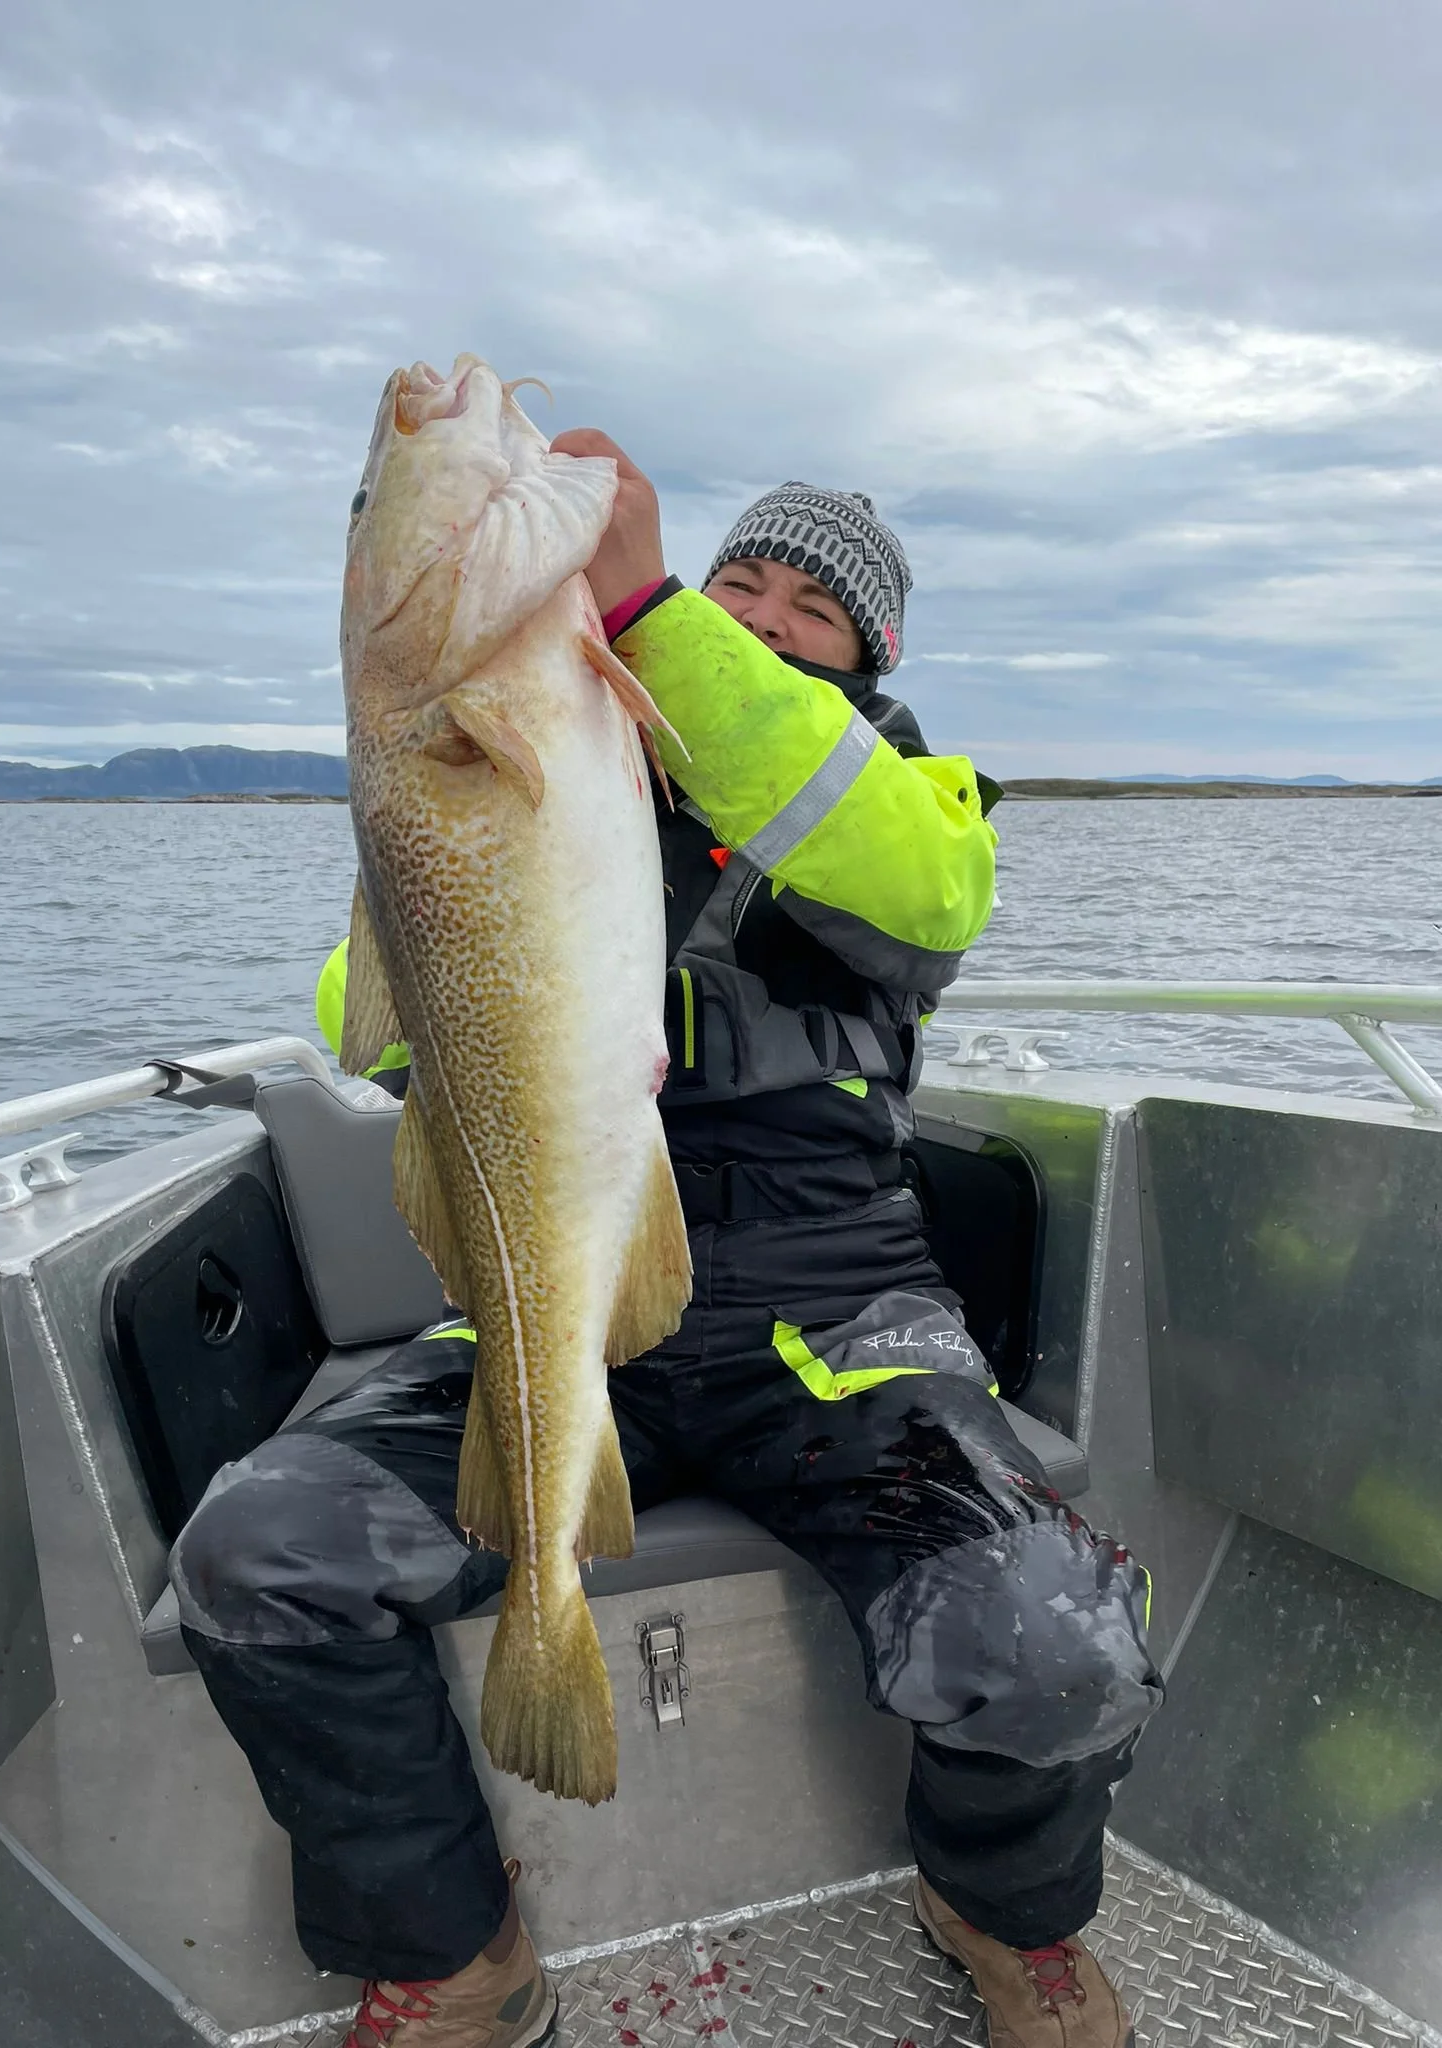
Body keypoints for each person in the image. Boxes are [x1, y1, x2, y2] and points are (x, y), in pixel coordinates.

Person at [170, 437, 1163, 2048]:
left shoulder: (906, 810)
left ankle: (995, 1914)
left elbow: (913, 894)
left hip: (830, 1325)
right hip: (544, 1298)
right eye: (741, 584)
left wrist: (653, 609)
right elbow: (367, 1038)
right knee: (260, 1550)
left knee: (1049, 1637)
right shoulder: (586, 757)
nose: (765, 620)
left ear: (870, 659)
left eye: (813, 611)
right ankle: (453, 1951)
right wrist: (430, 852)